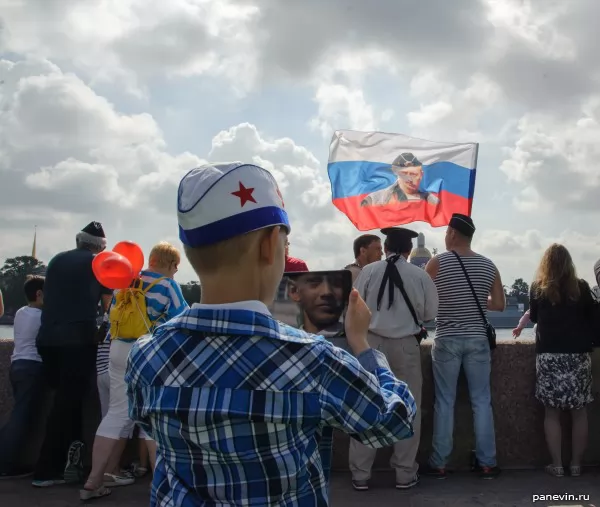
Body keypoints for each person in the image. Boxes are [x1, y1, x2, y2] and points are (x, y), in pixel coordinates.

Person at [126, 162, 417, 506]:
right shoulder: (313, 360)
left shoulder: (147, 355)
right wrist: (361, 344)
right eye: (285, 243)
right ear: (269, 245)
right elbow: (392, 421)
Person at [81, 242, 188, 500]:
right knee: (152, 417)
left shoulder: (125, 282)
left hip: (118, 350)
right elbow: (182, 320)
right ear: (172, 265)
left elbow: (110, 317)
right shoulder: (167, 285)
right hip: (147, 351)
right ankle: (161, 488)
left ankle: (92, 483)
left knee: (116, 413)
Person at [349, 227, 438, 491]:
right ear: (409, 250)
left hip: (370, 344)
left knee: (366, 405)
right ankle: (404, 473)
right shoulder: (419, 276)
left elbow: (354, 307)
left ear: (385, 247)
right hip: (405, 347)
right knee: (409, 408)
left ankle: (361, 474)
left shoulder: (368, 271)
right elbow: (431, 313)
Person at [424, 213, 505, 479]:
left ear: (453, 234)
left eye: (447, 233)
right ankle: (487, 462)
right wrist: (478, 304)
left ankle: (439, 463)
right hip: (478, 339)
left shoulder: (437, 262)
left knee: (444, 402)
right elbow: (499, 305)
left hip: (447, 338)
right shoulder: (488, 265)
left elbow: (424, 303)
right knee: (482, 401)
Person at [33, 222, 113, 488]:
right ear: (101, 247)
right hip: (77, 342)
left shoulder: (56, 260)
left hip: (47, 340)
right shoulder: (99, 263)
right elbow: (108, 307)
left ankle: (72, 464)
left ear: (79, 241)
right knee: (66, 405)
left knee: (67, 401)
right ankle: (46, 470)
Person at [529, 244, 595, 478]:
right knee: (579, 413)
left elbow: (534, 317)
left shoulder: (538, 288)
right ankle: (576, 465)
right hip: (578, 357)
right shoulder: (582, 288)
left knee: (552, 413)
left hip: (549, 357)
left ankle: (557, 465)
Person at [0, 276, 45, 478]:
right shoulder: (41, 317)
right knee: (20, 417)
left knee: (18, 414)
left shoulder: (20, 312)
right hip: (31, 367)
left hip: (16, 365)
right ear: (39, 294)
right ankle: (7, 465)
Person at [360, 153, 439, 207]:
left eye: (413, 174)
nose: (409, 179)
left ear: (421, 175)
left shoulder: (433, 202)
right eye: (404, 173)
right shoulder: (374, 200)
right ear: (397, 174)